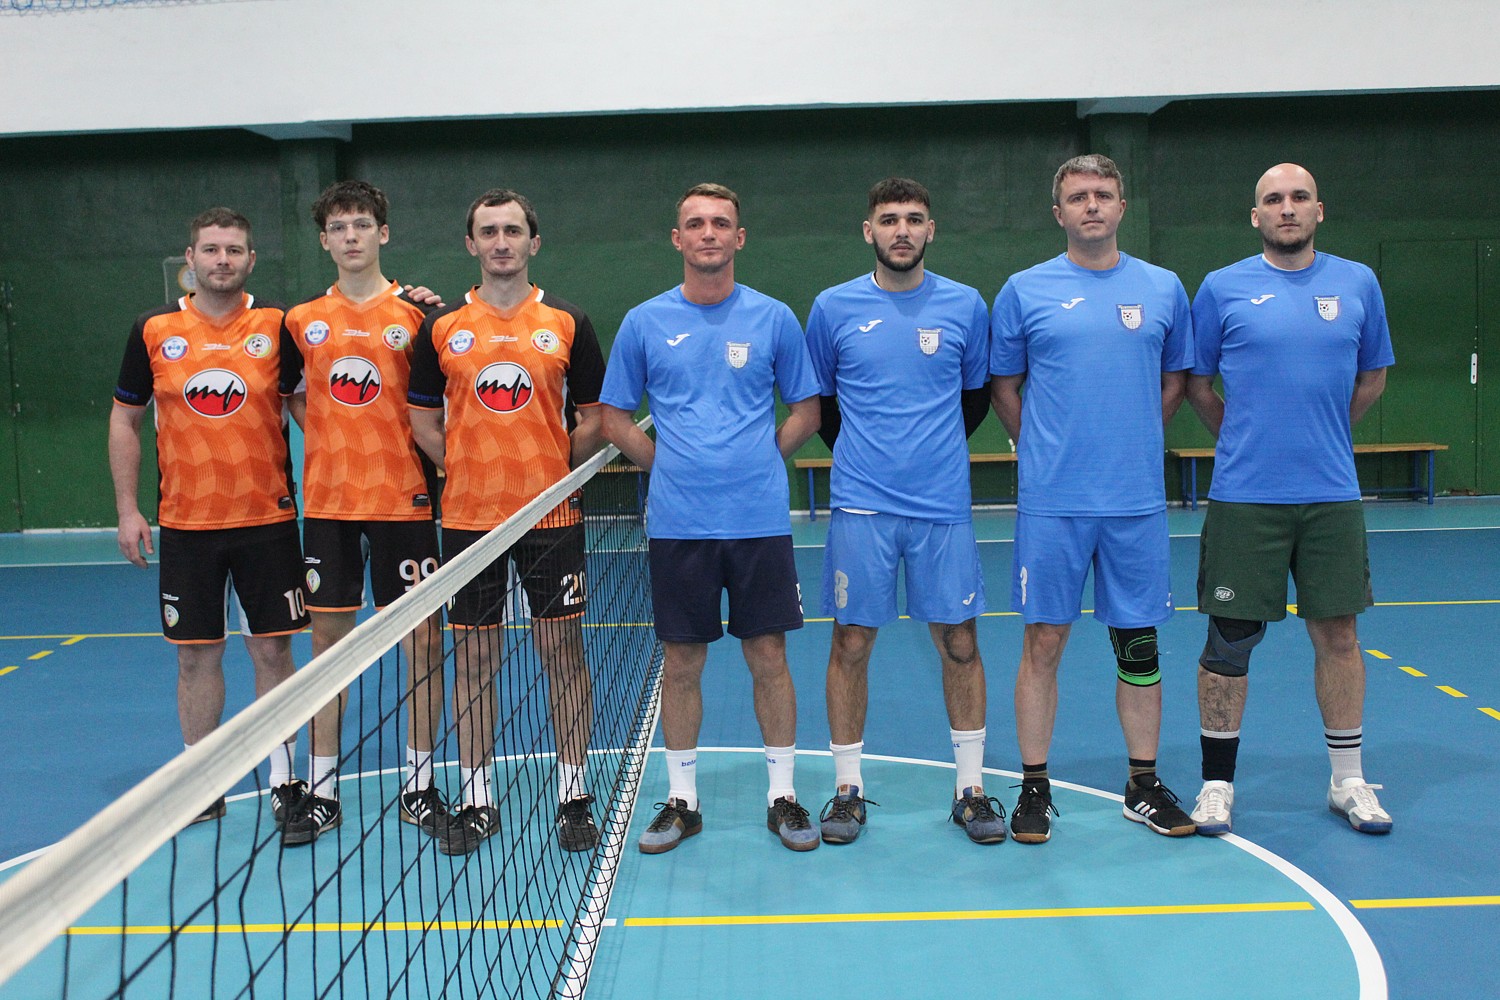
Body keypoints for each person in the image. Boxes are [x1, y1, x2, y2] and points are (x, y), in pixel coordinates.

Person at [599, 183, 823, 854]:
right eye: (695, 223)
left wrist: (758, 459)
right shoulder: (644, 321)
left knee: (769, 655)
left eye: (720, 223)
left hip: (758, 522)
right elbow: (613, 417)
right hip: (679, 525)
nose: (708, 233)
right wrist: (666, 465)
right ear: (678, 239)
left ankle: (782, 797)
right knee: (681, 662)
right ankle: (682, 802)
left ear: (738, 237)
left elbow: (807, 410)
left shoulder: (774, 317)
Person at [990, 154, 1197, 844]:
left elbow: (1174, 380)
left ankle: (1143, 784)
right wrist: (1044, 448)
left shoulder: (1163, 288)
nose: (1092, 205)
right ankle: (1033, 786)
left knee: (1138, 643)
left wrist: (1132, 438)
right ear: (1060, 213)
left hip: (1134, 502)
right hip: (1054, 503)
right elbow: (1005, 386)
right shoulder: (1024, 290)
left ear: (1121, 206)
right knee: (1044, 639)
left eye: (1103, 194)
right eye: (1078, 196)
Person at [1185, 162, 1395, 836]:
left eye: (1299, 197)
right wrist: (1246, 437)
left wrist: (1324, 433)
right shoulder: (1221, 288)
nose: (1287, 208)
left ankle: (1348, 781)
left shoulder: (1358, 283)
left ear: (1318, 210)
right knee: (1229, 641)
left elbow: (1372, 376)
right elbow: (1197, 384)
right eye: (1273, 199)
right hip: (1245, 497)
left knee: (1339, 635)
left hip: (1330, 495)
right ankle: (1217, 785)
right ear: (1256, 216)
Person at [407, 188, 605, 856]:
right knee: (474, 658)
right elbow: (422, 420)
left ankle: (573, 794)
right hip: (469, 521)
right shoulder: (441, 328)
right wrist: (465, 468)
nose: (501, 242)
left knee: (563, 653)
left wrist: (553, 474)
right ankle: (477, 796)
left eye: (513, 230)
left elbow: (592, 420)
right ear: (471, 244)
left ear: (533, 242)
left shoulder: (568, 321)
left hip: (552, 517)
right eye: (488, 231)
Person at [805, 177, 1000, 845]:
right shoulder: (833, 307)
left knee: (961, 642)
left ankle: (971, 790)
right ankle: (847, 790)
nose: (902, 230)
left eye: (914, 218)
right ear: (869, 231)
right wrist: (870, 458)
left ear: (930, 230)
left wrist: (927, 457)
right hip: (861, 506)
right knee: (851, 642)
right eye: (889, 219)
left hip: (941, 506)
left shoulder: (965, 305)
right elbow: (823, 404)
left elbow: (974, 398)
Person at [109, 207, 310, 828]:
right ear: (190, 258)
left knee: (272, 653)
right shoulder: (153, 329)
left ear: (251, 259)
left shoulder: (278, 325)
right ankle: (201, 782)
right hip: (186, 526)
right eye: (212, 249)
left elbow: (311, 408)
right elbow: (125, 420)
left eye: (234, 250)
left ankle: (285, 779)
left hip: (267, 522)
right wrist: (128, 510)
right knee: (195, 658)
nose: (223, 259)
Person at [279, 181, 448, 846]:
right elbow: (293, 396)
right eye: (338, 227)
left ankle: (420, 785)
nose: (351, 236)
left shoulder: (419, 315)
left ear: (383, 233)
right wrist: (328, 437)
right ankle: (321, 791)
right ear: (324, 240)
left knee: (423, 642)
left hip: (405, 501)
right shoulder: (300, 321)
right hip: (329, 505)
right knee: (327, 648)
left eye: (361, 224)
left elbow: (438, 402)